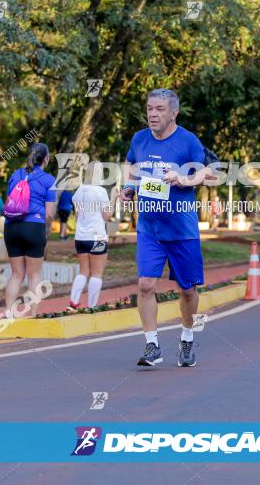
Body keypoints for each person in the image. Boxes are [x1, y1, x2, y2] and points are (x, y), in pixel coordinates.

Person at [122, 88, 210, 368]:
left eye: (159, 109)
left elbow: (211, 171)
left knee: (187, 290)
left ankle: (186, 338)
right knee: (145, 284)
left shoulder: (188, 141)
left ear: (174, 113)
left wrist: (185, 178)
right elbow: (130, 163)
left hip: (181, 229)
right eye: (149, 108)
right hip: (149, 227)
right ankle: (152, 345)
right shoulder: (139, 139)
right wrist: (127, 186)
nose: (152, 114)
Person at [3, 142, 56, 313]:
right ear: (46, 159)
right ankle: (32, 314)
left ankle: (9, 314)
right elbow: (49, 214)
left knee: (16, 274)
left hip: (11, 227)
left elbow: (10, 201)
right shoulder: (49, 180)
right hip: (33, 226)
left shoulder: (15, 175)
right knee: (34, 274)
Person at [68, 165, 115, 310]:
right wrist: (113, 197)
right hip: (98, 236)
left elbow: (76, 215)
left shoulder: (79, 190)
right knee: (97, 273)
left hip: (80, 237)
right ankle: (92, 306)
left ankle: (73, 301)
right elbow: (107, 216)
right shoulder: (100, 191)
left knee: (83, 271)